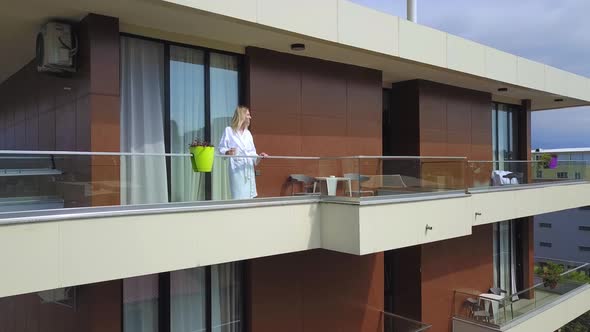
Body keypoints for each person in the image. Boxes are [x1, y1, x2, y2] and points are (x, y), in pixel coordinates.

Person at [218, 106, 268, 199]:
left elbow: (252, 153)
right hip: (237, 170)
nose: (250, 117)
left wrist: (259, 156)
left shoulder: (248, 133)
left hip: (248, 170)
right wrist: (227, 152)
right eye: (248, 115)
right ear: (242, 116)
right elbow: (221, 148)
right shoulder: (229, 131)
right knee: (238, 196)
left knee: (249, 197)